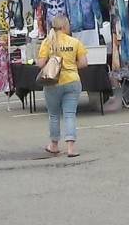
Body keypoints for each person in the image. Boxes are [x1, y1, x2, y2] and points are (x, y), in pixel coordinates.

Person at [38, 15, 87, 158]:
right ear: (65, 26)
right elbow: (84, 63)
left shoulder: (48, 42)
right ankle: (71, 147)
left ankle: (54, 145)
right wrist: (70, 66)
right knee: (70, 114)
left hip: (53, 82)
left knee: (53, 115)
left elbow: (40, 64)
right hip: (72, 80)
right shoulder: (75, 42)